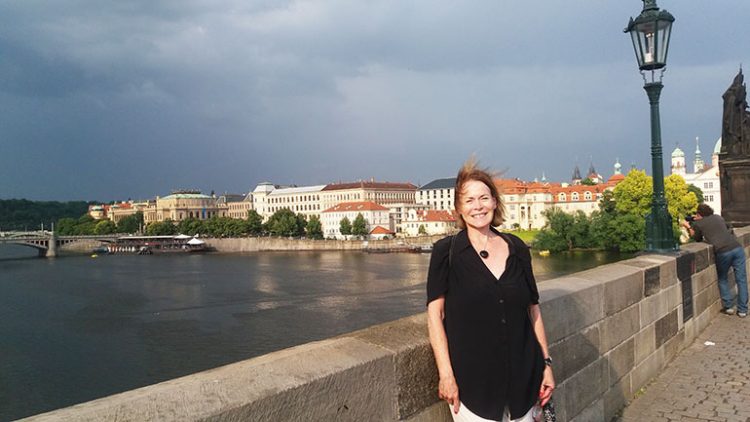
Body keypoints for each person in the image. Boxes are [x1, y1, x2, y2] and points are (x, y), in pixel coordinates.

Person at [426, 159, 555, 422]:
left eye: (484, 198)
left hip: (525, 380)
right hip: (473, 386)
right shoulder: (446, 253)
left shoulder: (517, 248)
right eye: (470, 200)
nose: (478, 206)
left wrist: (546, 366)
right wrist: (446, 375)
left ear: (495, 202)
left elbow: (533, 310)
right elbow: (434, 317)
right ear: (459, 209)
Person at [682, 203, 748, 318]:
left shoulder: (699, 223)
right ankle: (742, 310)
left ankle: (728, 307)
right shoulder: (718, 217)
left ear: (699, 214)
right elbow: (727, 228)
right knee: (741, 280)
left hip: (723, 252)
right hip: (737, 248)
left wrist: (688, 226)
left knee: (723, 278)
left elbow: (696, 238)